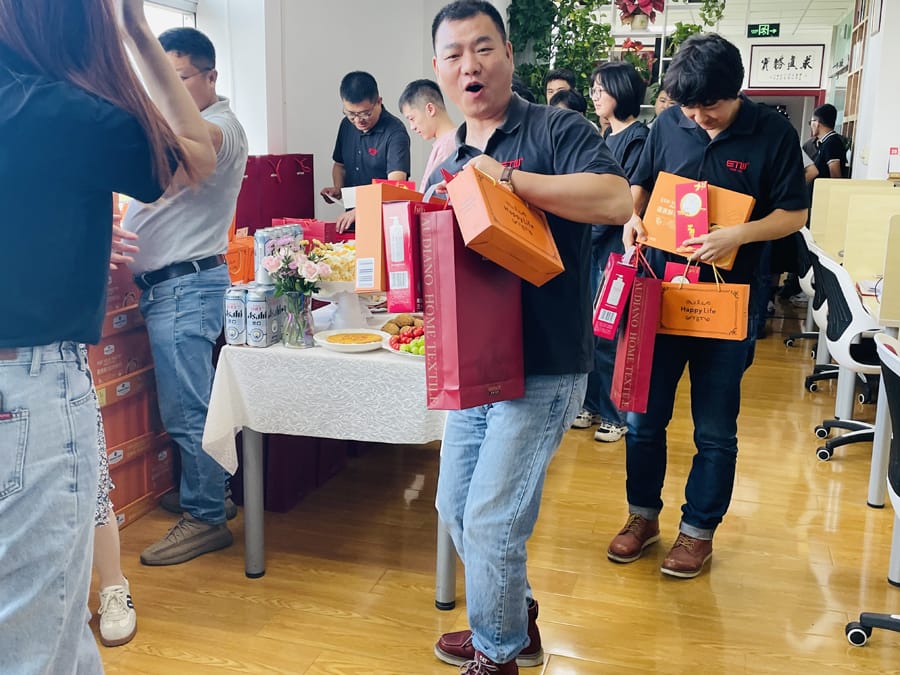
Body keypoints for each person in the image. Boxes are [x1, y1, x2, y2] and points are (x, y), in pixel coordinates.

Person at [0, 0, 215, 670]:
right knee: (39, 634)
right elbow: (196, 156)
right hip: (27, 385)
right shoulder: (53, 108)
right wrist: (137, 32)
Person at [426, 3, 633, 672]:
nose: (470, 65)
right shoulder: (448, 154)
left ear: (509, 55)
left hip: (544, 362)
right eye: (454, 54)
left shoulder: (556, 128)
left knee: (493, 519)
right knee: (455, 506)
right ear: (439, 70)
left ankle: (498, 654)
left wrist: (509, 179)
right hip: (475, 363)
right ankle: (515, 619)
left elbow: (616, 199)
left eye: (483, 48)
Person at [609, 33, 808, 579]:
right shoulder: (668, 125)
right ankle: (642, 515)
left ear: (736, 90)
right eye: (689, 108)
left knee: (715, 429)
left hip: (729, 299)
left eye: (710, 106)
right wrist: (632, 217)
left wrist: (738, 234)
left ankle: (698, 531)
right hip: (661, 293)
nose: (698, 118)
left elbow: (794, 213)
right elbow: (641, 183)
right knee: (642, 418)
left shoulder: (773, 133)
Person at [123, 27, 249, 567]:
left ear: (210, 76)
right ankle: (211, 492)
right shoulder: (196, 125)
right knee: (193, 403)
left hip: (184, 288)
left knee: (188, 409)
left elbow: (199, 140)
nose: (166, 93)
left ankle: (206, 517)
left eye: (176, 79)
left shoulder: (220, 127)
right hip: (177, 288)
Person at [570, 61, 649, 443]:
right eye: (594, 89)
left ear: (622, 90)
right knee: (590, 330)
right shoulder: (605, 135)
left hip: (616, 251)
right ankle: (591, 404)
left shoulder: (638, 138)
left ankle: (615, 414)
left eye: (601, 89)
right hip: (593, 245)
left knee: (610, 332)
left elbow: (628, 201)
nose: (595, 96)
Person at [321, 71, 411, 232]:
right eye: (351, 114)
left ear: (379, 102)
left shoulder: (395, 133)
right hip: (351, 222)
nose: (358, 121)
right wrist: (338, 189)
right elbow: (340, 165)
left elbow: (396, 187)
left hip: (384, 225)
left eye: (365, 114)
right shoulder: (346, 126)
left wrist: (361, 210)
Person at [398, 78, 458, 190]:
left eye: (412, 118)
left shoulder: (448, 147)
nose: (412, 127)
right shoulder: (445, 143)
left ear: (430, 109)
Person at [810, 103, 849, 180]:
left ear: (817, 123)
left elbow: (835, 177)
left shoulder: (831, 143)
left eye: (811, 122)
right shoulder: (826, 142)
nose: (811, 126)